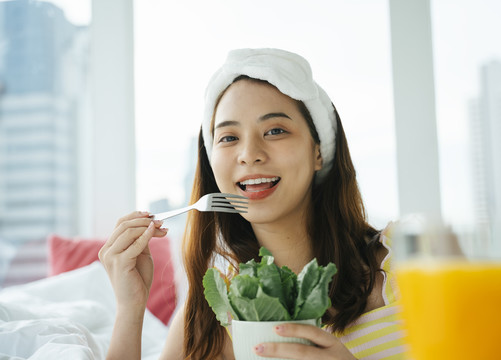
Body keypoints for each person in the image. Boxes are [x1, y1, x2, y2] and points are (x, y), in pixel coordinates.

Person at [99, 48, 406, 359]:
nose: (249, 153)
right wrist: (130, 309)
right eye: (229, 137)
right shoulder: (210, 317)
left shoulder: (408, 260)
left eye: (275, 131)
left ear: (319, 152)